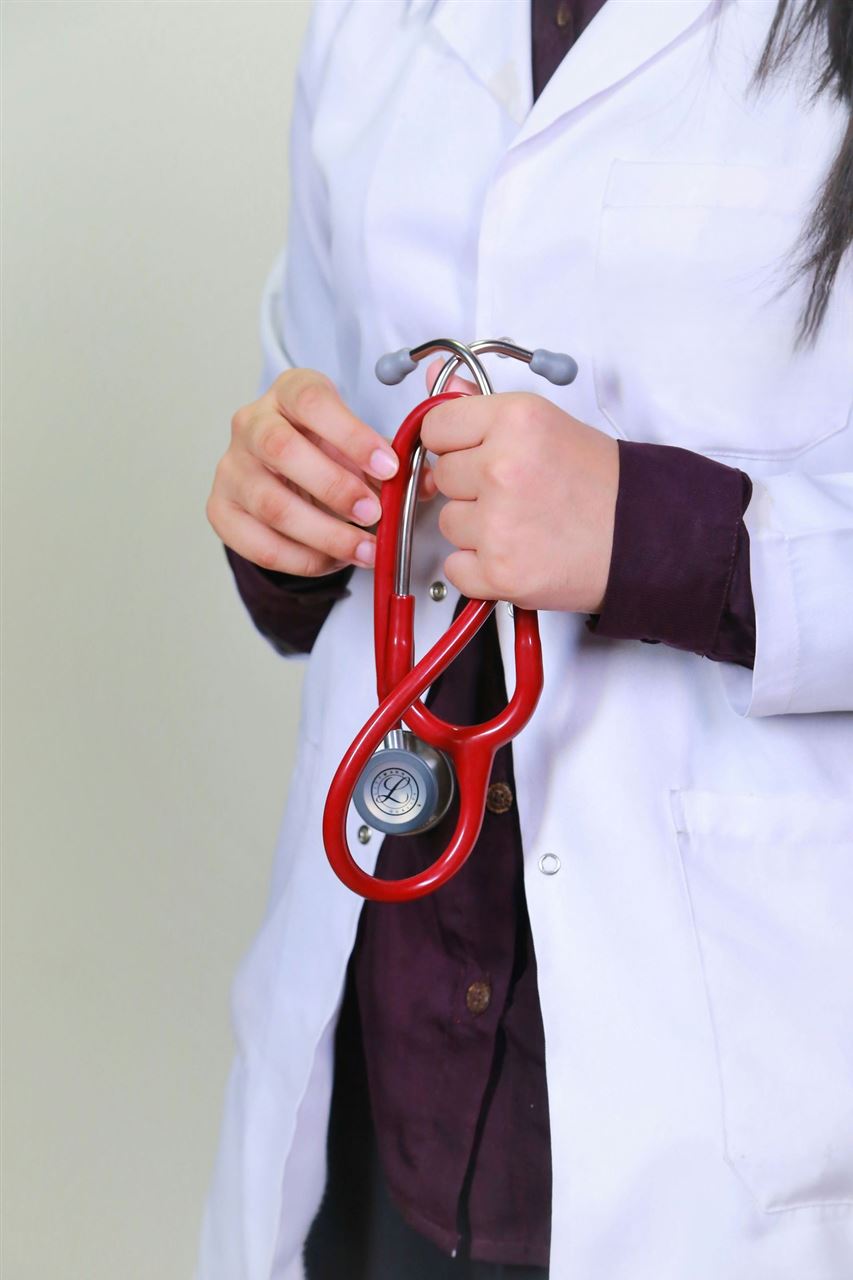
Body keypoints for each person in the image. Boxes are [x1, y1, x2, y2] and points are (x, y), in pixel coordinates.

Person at [200, 2, 853, 1278]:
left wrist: (659, 534)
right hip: (389, 1070)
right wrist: (279, 511)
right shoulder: (369, 26)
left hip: (733, 1105)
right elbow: (321, 394)